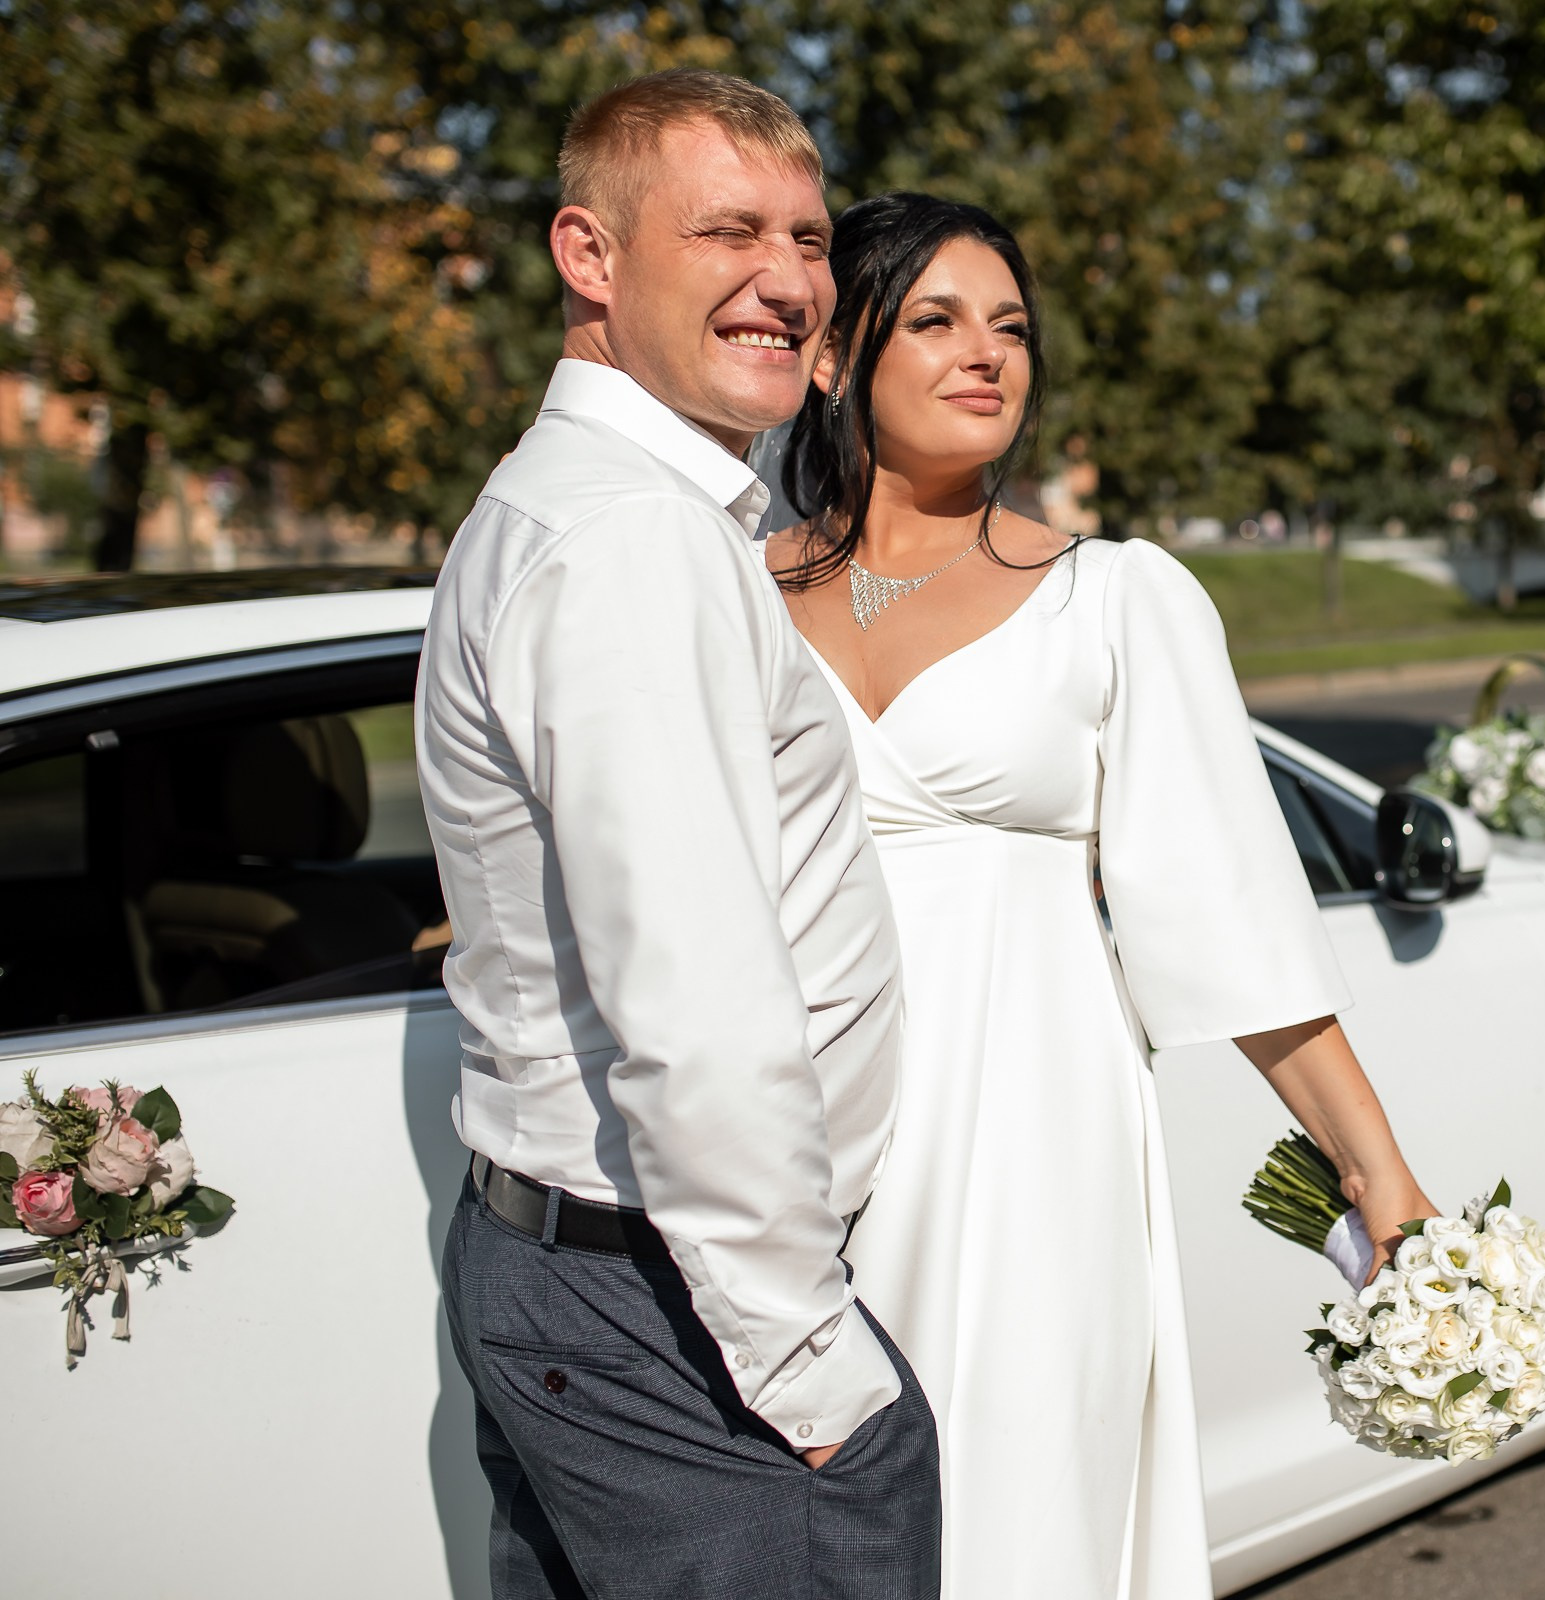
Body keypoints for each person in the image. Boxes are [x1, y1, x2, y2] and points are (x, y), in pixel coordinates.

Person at [761, 192, 1441, 1600]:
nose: (987, 354)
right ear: (834, 356)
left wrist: (1380, 1175)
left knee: (1015, 1507)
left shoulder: (1118, 601)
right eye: (938, 320)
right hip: (779, 1138)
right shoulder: (726, 589)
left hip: (1033, 1129)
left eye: (1010, 328)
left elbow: (1233, 924)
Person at [417, 71, 939, 1599]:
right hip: (675, 1320)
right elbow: (695, 1009)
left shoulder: (591, 508)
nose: (788, 279)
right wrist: (815, 1375)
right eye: (728, 232)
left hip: (610, 1289)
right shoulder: (630, 541)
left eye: (807, 235)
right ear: (589, 254)